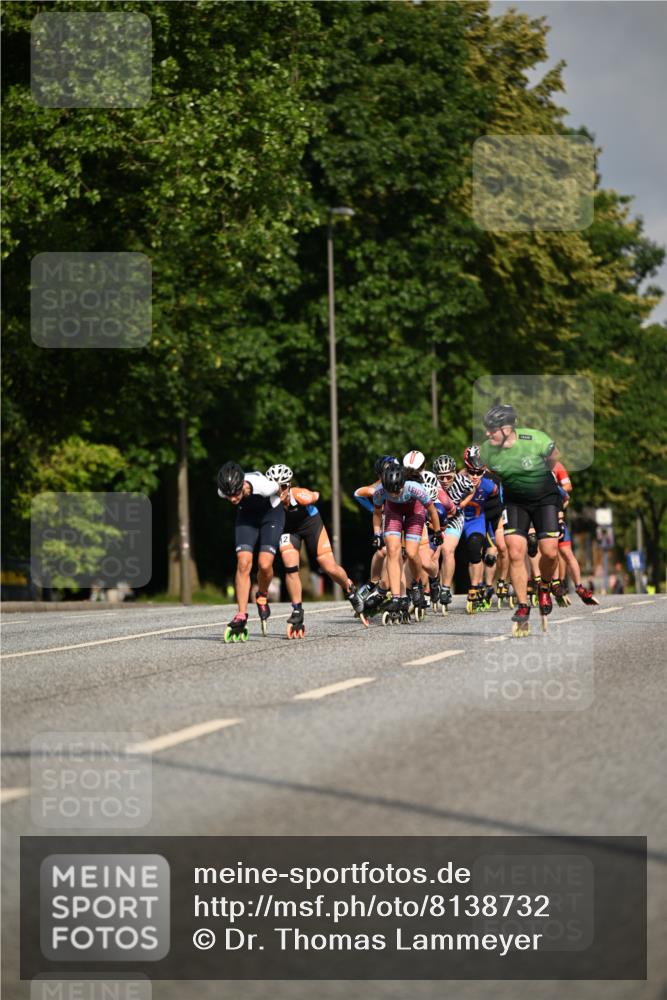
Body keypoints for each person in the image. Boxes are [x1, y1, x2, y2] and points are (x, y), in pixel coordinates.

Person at [479, 404, 562, 636]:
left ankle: (544, 585)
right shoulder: (487, 450)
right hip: (515, 502)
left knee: (550, 551)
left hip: (545, 498)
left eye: (492, 429)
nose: (487, 433)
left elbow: (554, 456)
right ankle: (523, 605)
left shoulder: (534, 438)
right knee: (515, 551)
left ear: (506, 429)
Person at [265, 464, 366, 636]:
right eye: (275, 487)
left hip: (310, 523)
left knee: (328, 566)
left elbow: (315, 495)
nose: (279, 491)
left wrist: (310, 496)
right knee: (290, 565)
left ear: (288, 485)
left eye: (283, 486)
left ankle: (349, 588)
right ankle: (297, 610)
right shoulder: (266, 500)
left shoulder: (297, 495)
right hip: (288, 530)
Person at [217, 461, 284, 641]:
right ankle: (241, 614)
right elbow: (229, 493)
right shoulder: (223, 489)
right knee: (243, 563)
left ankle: (262, 595)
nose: (232, 498)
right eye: (228, 495)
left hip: (271, 515)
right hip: (246, 518)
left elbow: (283, 489)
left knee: (264, 564)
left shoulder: (264, 486)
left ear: (243, 485)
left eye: (235, 493)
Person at [372, 463, 443, 624]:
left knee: (411, 553)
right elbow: (377, 513)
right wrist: (376, 533)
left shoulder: (415, 488)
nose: (395, 494)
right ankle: (397, 597)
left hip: (414, 512)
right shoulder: (380, 491)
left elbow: (431, 510)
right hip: (393, 513)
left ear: (404, 483)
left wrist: (437, 532)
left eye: (397, 490)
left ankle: (417, 583)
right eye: (391, 491)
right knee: (392, 551)